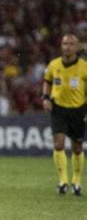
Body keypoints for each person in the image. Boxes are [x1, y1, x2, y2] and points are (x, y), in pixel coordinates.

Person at [42, 33, 86, 196]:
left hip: (78, 109)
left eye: (71, 44)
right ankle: (63, 181)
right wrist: (46, 98)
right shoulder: (54, 65)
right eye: (65, 44)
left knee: (77, 147)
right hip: (58, 109)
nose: (67, 47)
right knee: (59, 144)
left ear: (76, 47)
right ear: (61, 46)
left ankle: (76, 181)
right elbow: (47, 82)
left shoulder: (84, 67)